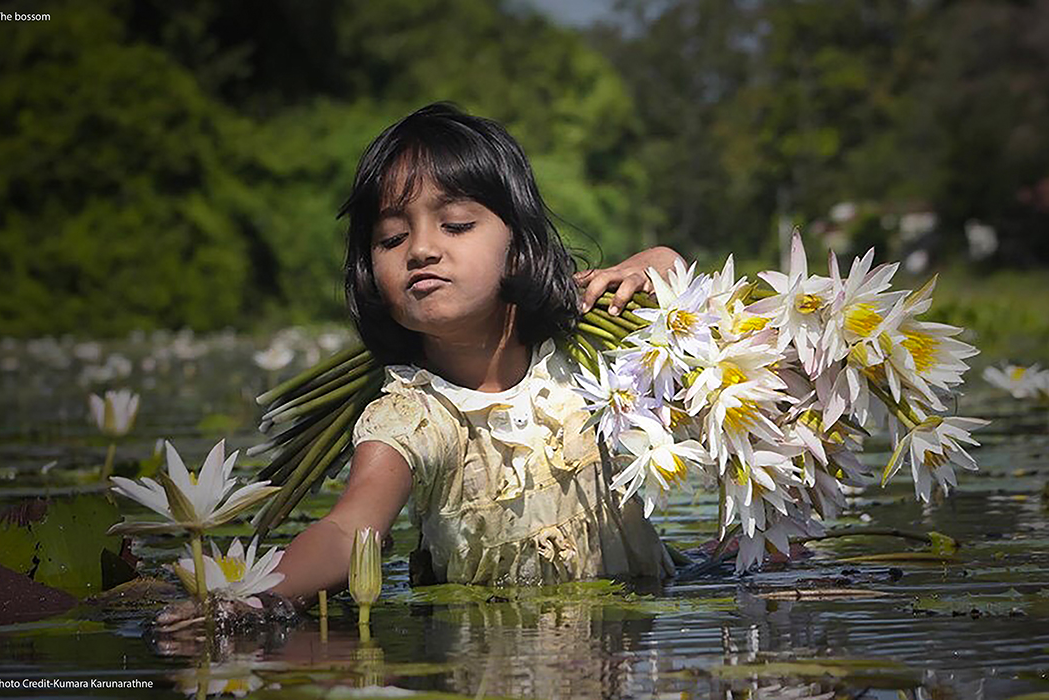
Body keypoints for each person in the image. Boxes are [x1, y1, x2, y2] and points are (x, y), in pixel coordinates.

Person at [159, 102, 684, 628]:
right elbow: (349, 530)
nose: (421, 249)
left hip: (637, 640)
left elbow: (712, 319)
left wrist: (656, 263)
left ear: (520, 248)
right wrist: (246, 600)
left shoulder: (587, 349)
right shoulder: (412, 417)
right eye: (392, 238)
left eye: (455, 225)